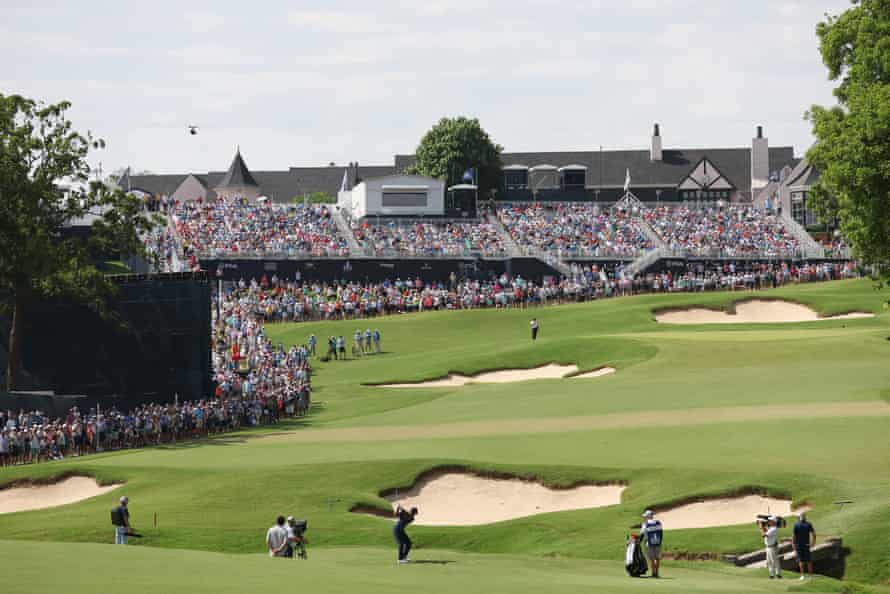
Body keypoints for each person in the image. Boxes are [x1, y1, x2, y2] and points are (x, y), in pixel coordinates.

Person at [640, 510, 663, 578]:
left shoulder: (645, 524)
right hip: (658, 542)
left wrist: (639, 541)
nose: (644, 517)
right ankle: (657, 573)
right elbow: (661, 532)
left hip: (649, 543)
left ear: (648, 516)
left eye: (645, 516)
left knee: (652, 559)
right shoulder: (658, 522)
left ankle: (653, 573)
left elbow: (642, 533)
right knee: (657, 558)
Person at [793, 512, 816, 580]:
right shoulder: (808, 524)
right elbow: (814, 534)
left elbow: (794, 536)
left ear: (799, 517)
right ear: (805, 517)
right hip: (806, 545)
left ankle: (802, 575)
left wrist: (793, 544)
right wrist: (813, 542)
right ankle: (810, 575)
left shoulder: (796, 525)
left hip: (799, 545)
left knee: (801, 561)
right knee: (808, 561)